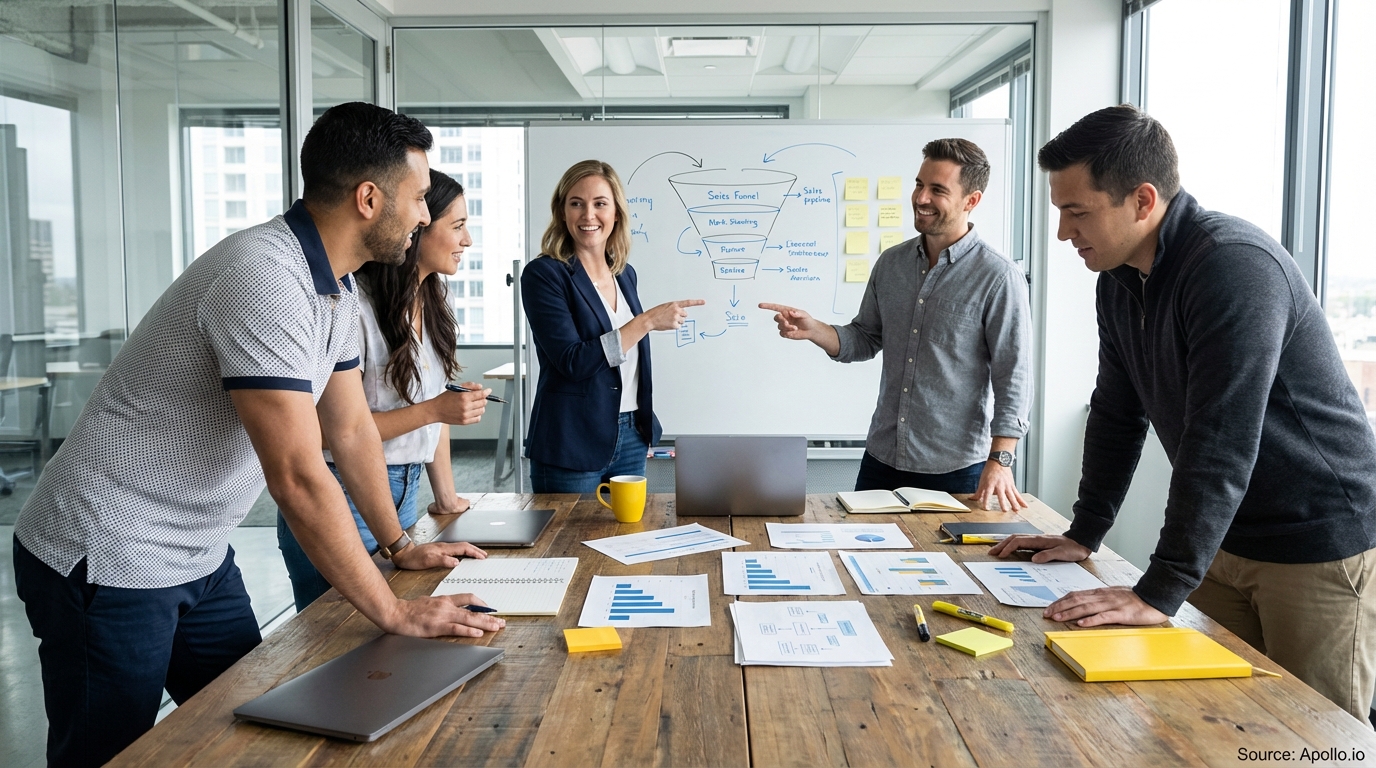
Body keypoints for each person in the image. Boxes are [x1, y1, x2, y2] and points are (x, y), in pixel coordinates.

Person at [10, 102, 504, 768]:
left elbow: (351, 426)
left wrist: (399, 544)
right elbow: (298, 473)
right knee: (111, 754)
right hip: (107, 551)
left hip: (198, 553)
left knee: (255, 728)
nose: (424, 215)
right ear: (368, 198)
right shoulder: (265, 277)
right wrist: (394, 612)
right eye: (419, 198)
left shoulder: (333, 286)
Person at [991, 104, 1376, 721]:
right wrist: (1084, 532)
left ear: (1142, 200)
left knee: (1316, 737)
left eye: (1076, 211)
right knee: (1212, 718)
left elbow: (1219, 440)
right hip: (1224, 539)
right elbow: (1117, 411)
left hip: (1316, 544)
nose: (1063, 232)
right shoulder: (1117, 280)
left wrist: (1162, 587)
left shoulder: (1232, 267)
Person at [759, 139, 1032, 511]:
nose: (920, 198)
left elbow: (1013, 376)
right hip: (882, 459)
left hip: (957, 469)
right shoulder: (892, 264)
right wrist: (814, 329)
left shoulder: (998, 277)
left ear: (972, 200)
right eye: (919, 184)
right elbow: (865, 338)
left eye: (937, 190)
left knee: (951, 569)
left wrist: (1000, 461)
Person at [277, 169, 495, 611]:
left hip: (404, 491)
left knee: (394, 638)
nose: (467, 240)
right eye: (457, 226)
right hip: (342, 491)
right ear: (419, 230)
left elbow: (438, 414)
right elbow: (330, 432)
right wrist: (435, 409)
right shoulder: (353, 309)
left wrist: (447, 496)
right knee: (332, 640)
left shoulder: (433, 300)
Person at [521, 160, 703, 492]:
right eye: (576, 203)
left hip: (631, 433)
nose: (588, 215)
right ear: (562, 212)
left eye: (600, 204)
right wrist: (646, 322)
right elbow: (573, 361)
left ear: (616, 212)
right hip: (571, 440)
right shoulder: (544, 275)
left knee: (625, 539)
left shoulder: (624, 274)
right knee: (568, 543)